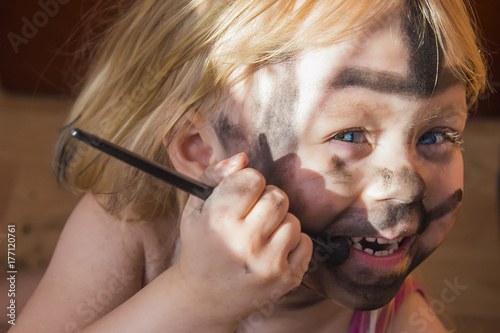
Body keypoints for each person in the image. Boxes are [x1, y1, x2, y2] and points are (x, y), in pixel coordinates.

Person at [12, 0, 487, 332]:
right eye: (349, 135)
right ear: (200, 147)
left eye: (436, 136)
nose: (403, 190)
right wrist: (197, 298)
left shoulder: (402, 323)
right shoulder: (134, 227)